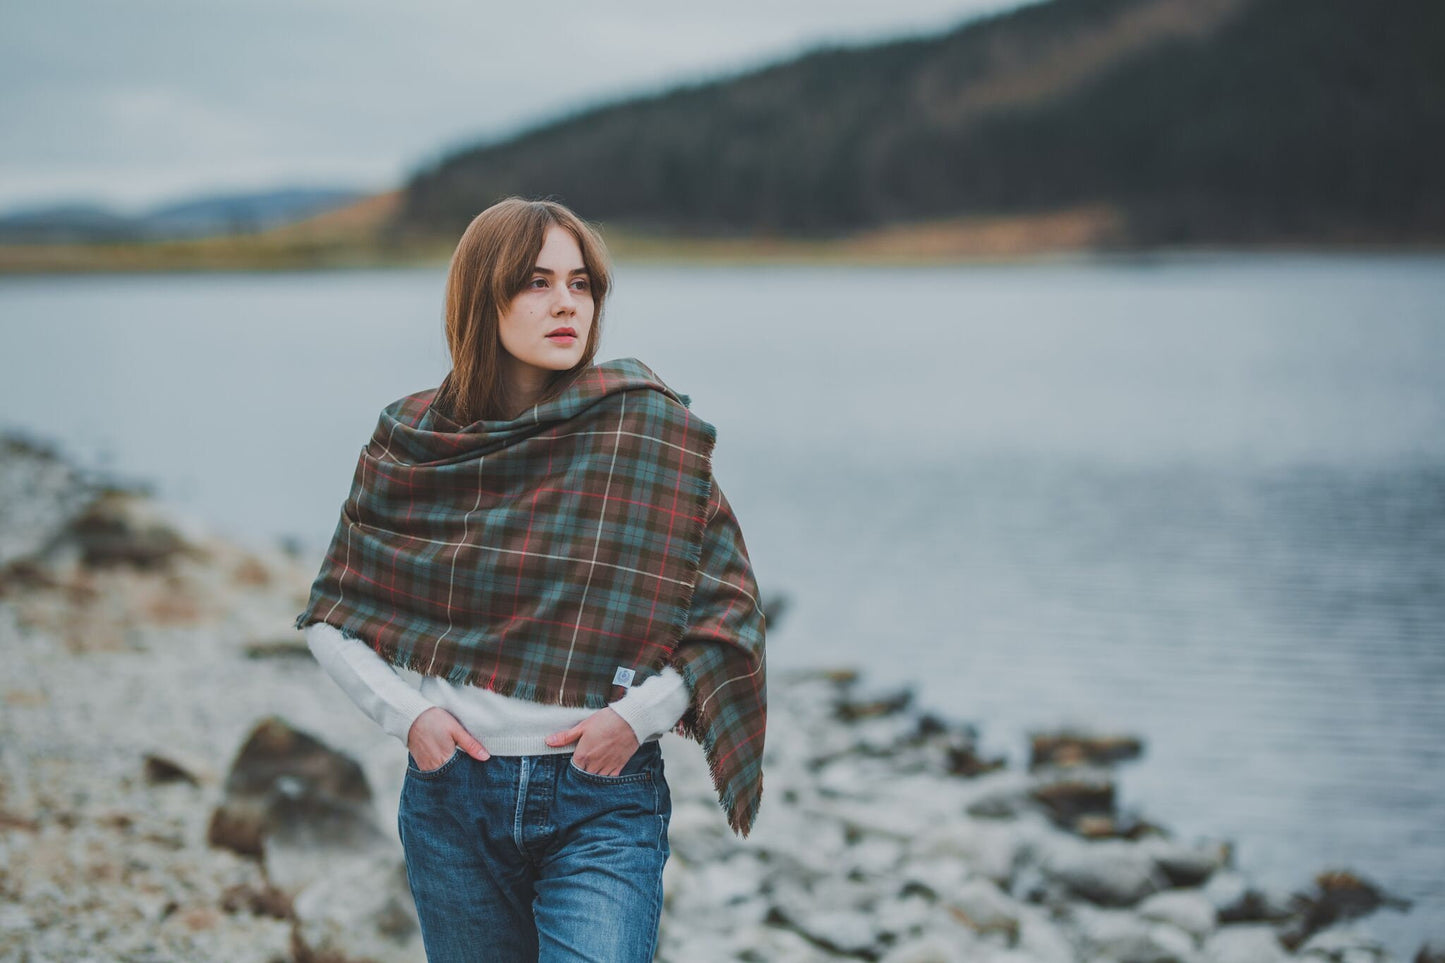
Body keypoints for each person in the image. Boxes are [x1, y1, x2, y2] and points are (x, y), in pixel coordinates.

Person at [294, 196, 767, 962]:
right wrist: (410, 718)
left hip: (603, 797)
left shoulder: (641, 430)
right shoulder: (413, 441)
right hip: (453, 800)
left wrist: (639, 714)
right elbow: (330, 615)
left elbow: (726, 616)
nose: (565, 304)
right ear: (484, 297)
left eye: (581, 285)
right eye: (537, 282)